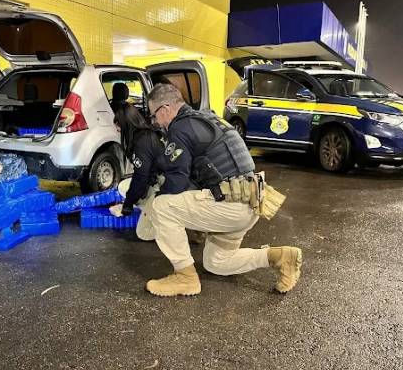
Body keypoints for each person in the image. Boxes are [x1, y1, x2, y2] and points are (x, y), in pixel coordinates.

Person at [144, 83, 303, 297]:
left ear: (164, 109)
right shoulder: (208, 118)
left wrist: (154, 199)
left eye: (155, 116)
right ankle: (280, 257)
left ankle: (184, 277)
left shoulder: (180, 127)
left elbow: (177, 181)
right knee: (217, 262)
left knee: (161, 206)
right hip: (251, 202)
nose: (156, 123)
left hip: (231, 206)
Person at [109, 102, 166, 240]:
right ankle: (151, 208)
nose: (118, 131)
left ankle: (165, 217)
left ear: (126, 124)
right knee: (124, 187)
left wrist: (128, 204)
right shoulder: (144, 134)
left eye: (119, 127)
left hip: (164, 186)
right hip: (155, 179)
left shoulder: (142, 141)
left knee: (144, 233)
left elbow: (141, 177)